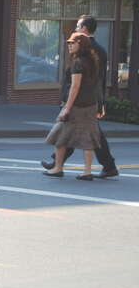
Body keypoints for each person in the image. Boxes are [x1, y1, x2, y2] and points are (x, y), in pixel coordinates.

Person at [40, 14, 119, 178]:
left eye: (77, 26)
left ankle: (59, 165)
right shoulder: (98, 50)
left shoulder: (87, 53)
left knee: (70, 132)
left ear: (83, 30)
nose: (70, 44)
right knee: (86, 134)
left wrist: (68, 105)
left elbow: (82, 83)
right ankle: (97, 167)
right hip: (87, 101)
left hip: (80, 102)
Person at [43, 32, 102, 180]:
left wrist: (67, 108)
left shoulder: (78, 63)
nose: (69, 45)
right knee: (88, 139)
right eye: (69, 43)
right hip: (90, 105)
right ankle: (87, 172)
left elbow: (75, 87)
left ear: (81, 45)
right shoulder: (93, 61)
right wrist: (100, 104)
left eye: (73, 43)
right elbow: (97, 85)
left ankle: (57, 168)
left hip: (76, 106)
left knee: (60, 136)